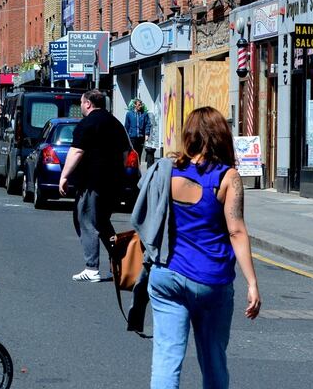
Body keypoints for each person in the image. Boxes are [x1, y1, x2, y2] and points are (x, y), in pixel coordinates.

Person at [137, 107, 261, 389]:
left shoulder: (166, 171)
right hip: (210, 281)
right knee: (213, 359)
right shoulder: (227, 177)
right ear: (222, 136)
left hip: (166, 274)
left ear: (189, 135)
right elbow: (236, 231)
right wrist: (252, 283)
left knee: (167, 359)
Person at [58, 89, 132, 282]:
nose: (81, 106)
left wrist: (64, 176)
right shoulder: (116, 124)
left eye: (82, 103)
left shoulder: (87, 124)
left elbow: (76, 152)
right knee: (102, 222)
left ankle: (91, 268)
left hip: (92, 182)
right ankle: (120, 264)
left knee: (85, 220)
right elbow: (127, 154)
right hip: (115, 183)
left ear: (88, 104)